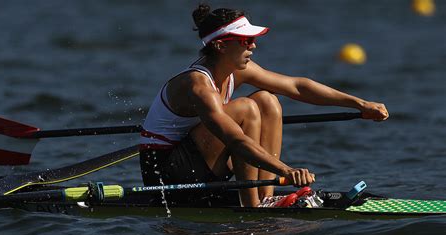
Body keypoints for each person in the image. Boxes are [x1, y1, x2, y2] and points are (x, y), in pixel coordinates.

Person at [139, 4, 389, 207]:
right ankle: (252, 207)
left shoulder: (238, 70)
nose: (253, 46)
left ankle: (264, 198)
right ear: (220, 45)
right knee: (246, 108)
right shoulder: (198, 85)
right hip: (167, 177)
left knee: (268, 100)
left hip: (198, 161)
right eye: (246, 41)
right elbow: (236, 140)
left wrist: (360, 104)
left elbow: (297, 87)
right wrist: (286, 171)